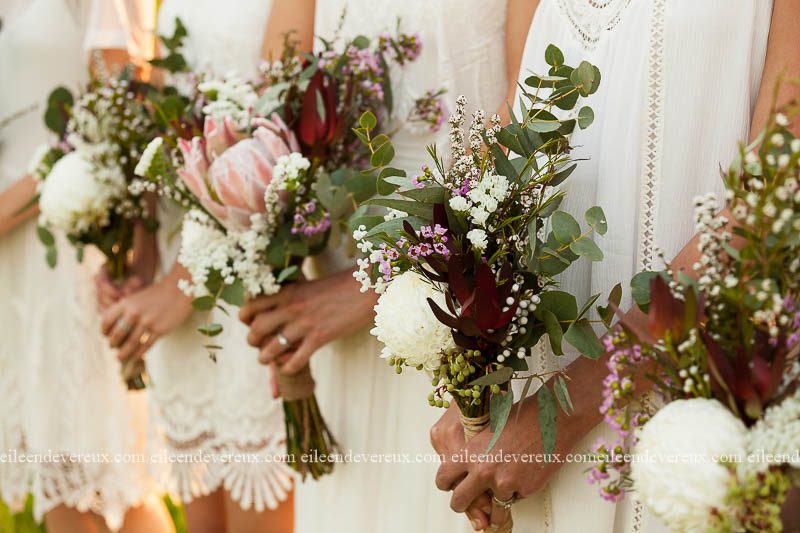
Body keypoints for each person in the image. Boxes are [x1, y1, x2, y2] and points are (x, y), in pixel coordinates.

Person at [430, 0, 800, 530]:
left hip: (678, 416)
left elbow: (774, 199)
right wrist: (474, 374)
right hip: (520, 428)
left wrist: (567, 410)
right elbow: (514, 152)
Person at [239, 1, 509, 531]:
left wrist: (368, 290)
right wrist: (274, 264)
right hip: (337, 337)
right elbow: (271, 125)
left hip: (466, 323)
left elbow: (524, 116)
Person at [96, 1, 296, 532]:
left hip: (248, 284)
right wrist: (137, 261)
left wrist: (178, 286)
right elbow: (158, 126)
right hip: (178, 294)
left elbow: (279, 141)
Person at [0, 1, 173, 531]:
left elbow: (118, 121)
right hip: (15, 264)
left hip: (73, 243)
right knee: (54, 473)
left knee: (99, 476)